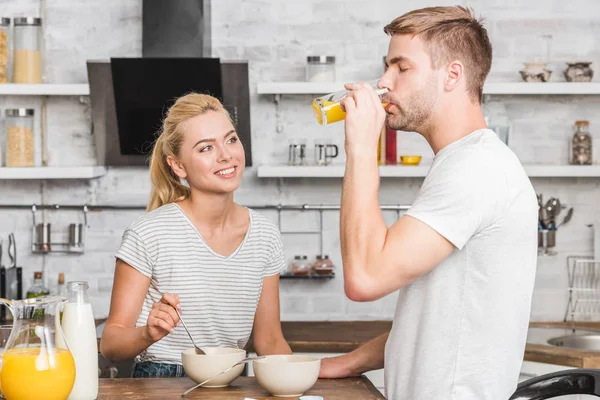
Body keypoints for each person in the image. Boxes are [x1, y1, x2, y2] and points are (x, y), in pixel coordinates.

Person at [319, 6, 538, 400]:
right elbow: (441, 316)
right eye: (387, 67)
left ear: (452, 75)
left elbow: (365, 278)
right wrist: (352, 361)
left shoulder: (475, 168)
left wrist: (361, 148)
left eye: (401, 68)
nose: (384, 82)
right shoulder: (464, 161)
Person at [100, 93, 292, 378]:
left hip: (232, 380)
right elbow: (111, 344)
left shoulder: (265, 235)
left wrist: (304, 384)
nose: (226, 155)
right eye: (205, 148)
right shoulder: (148, 234)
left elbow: (269, 341)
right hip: (161, 381)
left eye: (231, 139)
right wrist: (148, 333)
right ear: (178, 166)